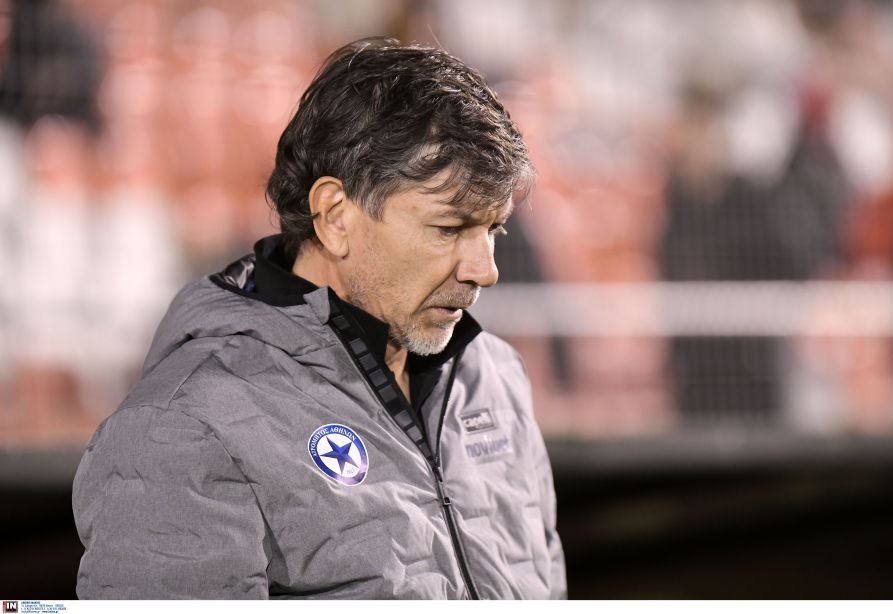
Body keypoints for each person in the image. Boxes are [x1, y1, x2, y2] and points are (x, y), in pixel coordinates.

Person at [72, 37, 566, 600]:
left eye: (493, 229)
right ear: (334, 216)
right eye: (449, 229)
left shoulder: (494, 376)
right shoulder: (182, 425)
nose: (486, 269)